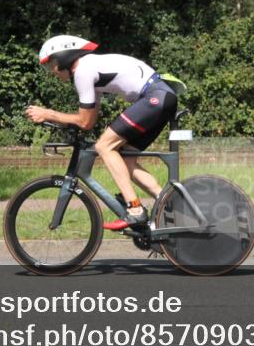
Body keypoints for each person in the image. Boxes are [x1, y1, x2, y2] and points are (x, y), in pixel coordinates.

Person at [25, 35, 178, 230]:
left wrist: (48, 114)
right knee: (126, 160)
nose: (51, 72)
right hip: (160, 97)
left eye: (51, 65)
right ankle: (170, 203)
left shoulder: (82, 71)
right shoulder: (89, 69)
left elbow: (84, 120)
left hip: (154, 98)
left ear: (63, 57)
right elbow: (88, 122)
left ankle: (135, 209)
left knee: (104, 146)